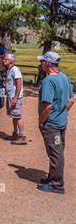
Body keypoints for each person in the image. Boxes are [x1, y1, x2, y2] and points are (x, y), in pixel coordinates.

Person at [37, 51, 75, 194]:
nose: (40, 64)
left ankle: (57, 184)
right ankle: (52, 178)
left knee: (55, 152)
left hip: (51, 124)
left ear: (47, 63)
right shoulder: (64, 77)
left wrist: (41, 121)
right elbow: (71, 99)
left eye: (42, 62)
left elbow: (48, 106)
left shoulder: (48, 80)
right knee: (57, 151)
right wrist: (62, 111)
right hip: (61, 121)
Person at [3, 53, 27, 145]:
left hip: (14, 97)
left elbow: (19, 84)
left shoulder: (15, 69)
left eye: (6, 59)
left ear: (11, 61)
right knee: (14, 116)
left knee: (18, 116)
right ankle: (15, 133)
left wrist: (16, 97)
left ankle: (22, 136)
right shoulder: (9, 70)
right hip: (11, 96)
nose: (4, 60)